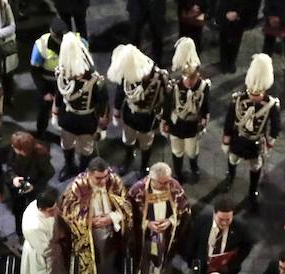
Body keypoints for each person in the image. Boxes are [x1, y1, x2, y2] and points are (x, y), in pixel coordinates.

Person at [57, 157, 130, 274]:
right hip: (89, 236)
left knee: (109, 262)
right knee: (93, 268)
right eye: (98, 178)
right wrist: (89, 222)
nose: (103, 182)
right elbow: (67, 213)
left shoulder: (114, 181)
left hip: (111, 231)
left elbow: (126, 205)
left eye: (105, 177)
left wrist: (111, 218)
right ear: (89, 174)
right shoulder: (77, 187)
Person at [220, 54, 280, 211]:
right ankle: (230, 177)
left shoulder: (271, 105)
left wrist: (269, 144)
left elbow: (275, 126)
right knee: (232, 159)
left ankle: (253, 190)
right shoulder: (238, 100)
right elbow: (229, 120)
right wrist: (226, 140)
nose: (254, 97)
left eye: (257, 95)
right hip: (239, 138)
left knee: (255, 166)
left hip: (255, 142)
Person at [54, 31, 108, 179]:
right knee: (67, 144)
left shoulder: (95, 80)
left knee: (86, 147)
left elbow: (102, 103)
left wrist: (102, 123)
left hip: (87, 118)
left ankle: (83, 170)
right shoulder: (63, 74)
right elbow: (60, 93)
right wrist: (55, 112)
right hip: (68, 116)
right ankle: (69, 165)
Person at [128, 163, 190, 274]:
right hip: (145, 236)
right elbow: (127, 213)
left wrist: (171, 221)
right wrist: (146, 224)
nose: (167, 185)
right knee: (144, 259)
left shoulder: (174, 186)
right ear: (152, 179)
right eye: (162, 183)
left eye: (168, 181)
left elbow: (185, 209)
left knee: (162, 259)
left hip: (165, 235)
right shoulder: (138, 190)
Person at [108, 44, 167, 174]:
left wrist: (164, 119)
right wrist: (116, 110)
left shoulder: (159, 77)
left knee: (146, 144)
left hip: (148, 117)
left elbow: (165, 98)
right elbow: (121, 91)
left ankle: (144, 167)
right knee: (128, 140)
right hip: (130, 114)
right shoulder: (129, 73)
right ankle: (128, 159)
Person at [162, 39, 211, 184]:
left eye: (192, 77)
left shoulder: (204, 87)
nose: (189, 81)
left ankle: (194, 170)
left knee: (192, 151)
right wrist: (165, 121)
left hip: (192, 125)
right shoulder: (174, 87)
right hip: (176, 124)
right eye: (187, 77)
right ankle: (178, 173)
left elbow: (205, 104)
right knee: (177, 151)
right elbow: (168, 105)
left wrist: (204, 118)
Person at [20, 189, 58, 274]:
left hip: (48, 244)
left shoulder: (37, 204)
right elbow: (46, 250)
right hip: (38, 253)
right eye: (51, 211)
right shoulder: (34, 226)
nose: (54, 212)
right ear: (41, 209)